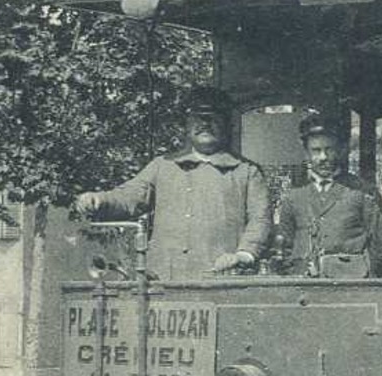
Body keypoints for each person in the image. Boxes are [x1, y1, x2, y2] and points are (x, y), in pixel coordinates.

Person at [74, 87, 271, 280]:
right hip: (162, 281)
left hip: (219, 277)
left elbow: (260, 220)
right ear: (186, 124)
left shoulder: (246, 172)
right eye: (197, 118)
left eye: (212, 118)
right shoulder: (162, 166)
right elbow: (130, 196)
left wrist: (243, 255)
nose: (204, 124)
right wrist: (99, 200)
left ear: (227, 124)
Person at [277, 112, 382, 277]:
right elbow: (285, 247)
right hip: (303, 288)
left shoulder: (362, 192)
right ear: (306, 153)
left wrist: (362, 277)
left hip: (349, 288)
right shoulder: (294, 197)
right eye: (316, 151)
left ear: (340, 149)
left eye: (329, 149)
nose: (323, 157)